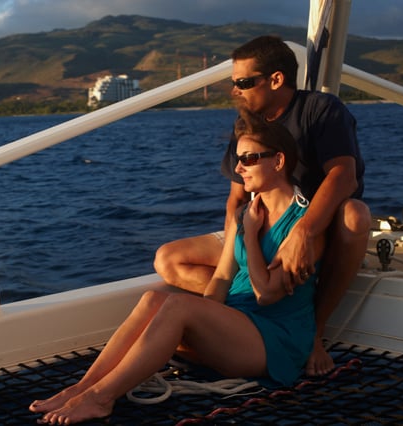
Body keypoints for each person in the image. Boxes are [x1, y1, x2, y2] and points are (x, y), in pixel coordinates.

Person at [29, 111, 326, 425]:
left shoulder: (304, 229)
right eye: (238, 159)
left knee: (178, 306)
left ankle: (100, 399)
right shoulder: (248, 212)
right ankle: (83, 386)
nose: (238, 169)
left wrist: (250, 236)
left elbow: (266, 294)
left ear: (278, 161)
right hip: (238, 324)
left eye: (248, 159)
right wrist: (205, 324)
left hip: (274, 342)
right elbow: (223, 276)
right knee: (153, 300)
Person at [153, 35, 371, 376]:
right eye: (234, 83)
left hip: (314, 228)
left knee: (356, 215)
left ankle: (313, 330)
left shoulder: (320, 110)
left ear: (276, 80)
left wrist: (303, 231)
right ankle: (246, 317)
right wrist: (239, 247)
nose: (235, 91)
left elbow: (345, 176)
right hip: (263, 228)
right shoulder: (248, 126)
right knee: (168, 259)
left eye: (243, 82)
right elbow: (236, 199)